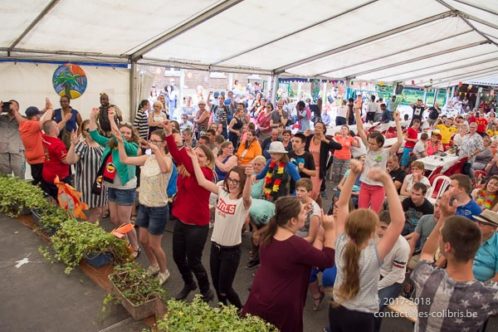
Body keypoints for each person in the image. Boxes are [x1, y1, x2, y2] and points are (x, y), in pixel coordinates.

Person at [329, 161, 405, 332]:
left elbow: (341, 204)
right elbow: (398, 221)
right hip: (362, 315)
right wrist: (386, 180)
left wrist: (353, 174)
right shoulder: (374, 254)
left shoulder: (341, 242)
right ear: (373, 232)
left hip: (337, 306)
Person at [242, 196, 335, 332]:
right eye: (303, 213)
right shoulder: (297, 246)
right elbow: (327, 260)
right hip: (281, 306)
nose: (305, 215)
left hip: (259, 297)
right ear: (292, 220)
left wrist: (299, 209)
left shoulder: (269, 234)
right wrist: (330, 230)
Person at [411, 194, 498, 332]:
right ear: (476, 249)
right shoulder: (488, 295)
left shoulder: (425, 276)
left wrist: (444, 217)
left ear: (447, 247)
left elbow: (426, 254)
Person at [189, 151, 252, 308]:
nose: (232, 183)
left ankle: (241, 311)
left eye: (236, 181)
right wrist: (193, 160)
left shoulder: (243, 202)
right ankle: (223, 309)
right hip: (215, 248)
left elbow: (246, 196)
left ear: (242, 183)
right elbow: (202, 182)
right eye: (230, 179)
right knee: (217, 285)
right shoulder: (222, 192)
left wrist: (250, 178)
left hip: (231, 252)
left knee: (225, 288)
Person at [163, 120, 215, 302]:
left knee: (194, 261)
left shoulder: (207, 174)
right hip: (181, 221)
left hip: (197, 225)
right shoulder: (187, 171)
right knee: (177, 257)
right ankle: (188, 283)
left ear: (208, 161)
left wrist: (191, 158)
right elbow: (177, 155)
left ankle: (206, 291)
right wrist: (169, 133)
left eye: (201, 156)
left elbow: (185, 159)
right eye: (196, 154)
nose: (197, 157)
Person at [115, 127, 172, 284]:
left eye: (156, 141)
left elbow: (164, 169)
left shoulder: (167, 159)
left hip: (158, 208)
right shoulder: (147, 159)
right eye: (151, 140)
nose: (152, 143)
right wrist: (120, 142)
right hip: (144, 206)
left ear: (164, 143)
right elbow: (124, 159)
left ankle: (164, 271)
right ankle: (153, 265)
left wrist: (156, 150)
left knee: (155, 245)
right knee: (143, 240)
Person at [89, 107, 140, 257]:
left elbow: (119, 138)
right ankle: (123, 243)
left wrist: (112, 120)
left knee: (124, 220)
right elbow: (94, 134)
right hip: (111, 186)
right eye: (122, 132)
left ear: (131, 136)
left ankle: (136, 247)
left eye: (127, 133)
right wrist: (93, 117)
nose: (124, 134)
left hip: (125, 188)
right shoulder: (110, 143)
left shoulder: (132, 147)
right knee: (114, 218)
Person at [354, 108, 403, 212]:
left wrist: (397, 121)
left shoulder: (386, 153)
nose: (370, 145)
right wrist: (357, 111)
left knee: (374, 214)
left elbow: (399, 141)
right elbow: (360, 129)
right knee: (361, 211)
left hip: (378, 187)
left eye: (373, 144)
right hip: (364, 185)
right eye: (369, 143)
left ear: (380, 144)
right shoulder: (368, 148)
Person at [65, 120, 107, 222]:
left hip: (101, 184)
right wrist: (73, 144)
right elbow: (70, 160)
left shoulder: (102, 144)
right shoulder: (82, 145)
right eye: (88, 130)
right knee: (96, 211)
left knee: (99, 211)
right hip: (87, 185)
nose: (91, 132)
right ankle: (88, 233)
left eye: (94, 129)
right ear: (83, 132)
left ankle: (91, 232)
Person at [375, 210, 410, 332]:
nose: (379, 230)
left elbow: (395, 275)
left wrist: (376, 286)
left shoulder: (403, 247)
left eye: (383, 227)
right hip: (376, 273)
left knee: (375, 306)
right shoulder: (375, 236)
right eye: (377, 226)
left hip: (394, 282)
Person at [14, 99, 53, 185]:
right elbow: (46, 122)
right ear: (36, 116)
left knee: (37, 179)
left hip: (31, 159)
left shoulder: (23, 124)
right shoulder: (33, 125)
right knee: (43, 182)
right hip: (40, 160)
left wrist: (44, 110)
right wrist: (50, 109)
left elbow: (35, 117)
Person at [305, 121, 342, 200]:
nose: (317, 129)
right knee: (306, 189)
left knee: (314, 191)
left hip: (318, 169)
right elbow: (299, 143)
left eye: (319, 127)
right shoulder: (309, 137)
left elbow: (339, 147)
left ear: (323, 130)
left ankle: (312, 208)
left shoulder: (326, 139)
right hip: (307, 167)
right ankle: (319, 208)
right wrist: (304, 136)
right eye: (316, 127)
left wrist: (325, 140)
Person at [40, 119, 71, 199]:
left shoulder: (44, 137)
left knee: (54, 197)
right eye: (57, 126)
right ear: (54, 129)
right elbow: (66, 161)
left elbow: (50, 127)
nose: (58, 127)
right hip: (59, 178)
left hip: (47, 174)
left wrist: (65, 119)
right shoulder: (58, 144)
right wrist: (73, 146)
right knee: (64, 201)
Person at [405, 200, 439, 270]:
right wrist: (406, 262)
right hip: (421, 254)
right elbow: (413, 240)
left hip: (437, 259)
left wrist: (435, 269)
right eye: (436, 205)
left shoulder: (450, 225)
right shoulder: (425, 218)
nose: (437, 210)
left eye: (441, 207)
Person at [0, 100, 25, 178]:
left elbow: (24, 124)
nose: (10, 107)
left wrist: (14, 111)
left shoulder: (23, 118)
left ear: (18, 107)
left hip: (17, 150)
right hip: (3, 150)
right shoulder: (1, 118)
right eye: (9, 105)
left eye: (13, 105)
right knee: (4, 176)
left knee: (19, 176)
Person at [473, 209, 498, 282]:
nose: (477, 225)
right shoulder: (469, 235)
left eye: (482, 224)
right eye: (477, 222)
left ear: (493, 229)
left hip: (481, 288)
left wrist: (482, 288)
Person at [295, 178, 321, 243]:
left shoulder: (314, 211)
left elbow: (311, 238)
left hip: (301, 242)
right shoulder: (296, 202)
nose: (298, 193)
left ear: (309, 193)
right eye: (297, 190)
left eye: (302, 191)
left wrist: (293, 242)